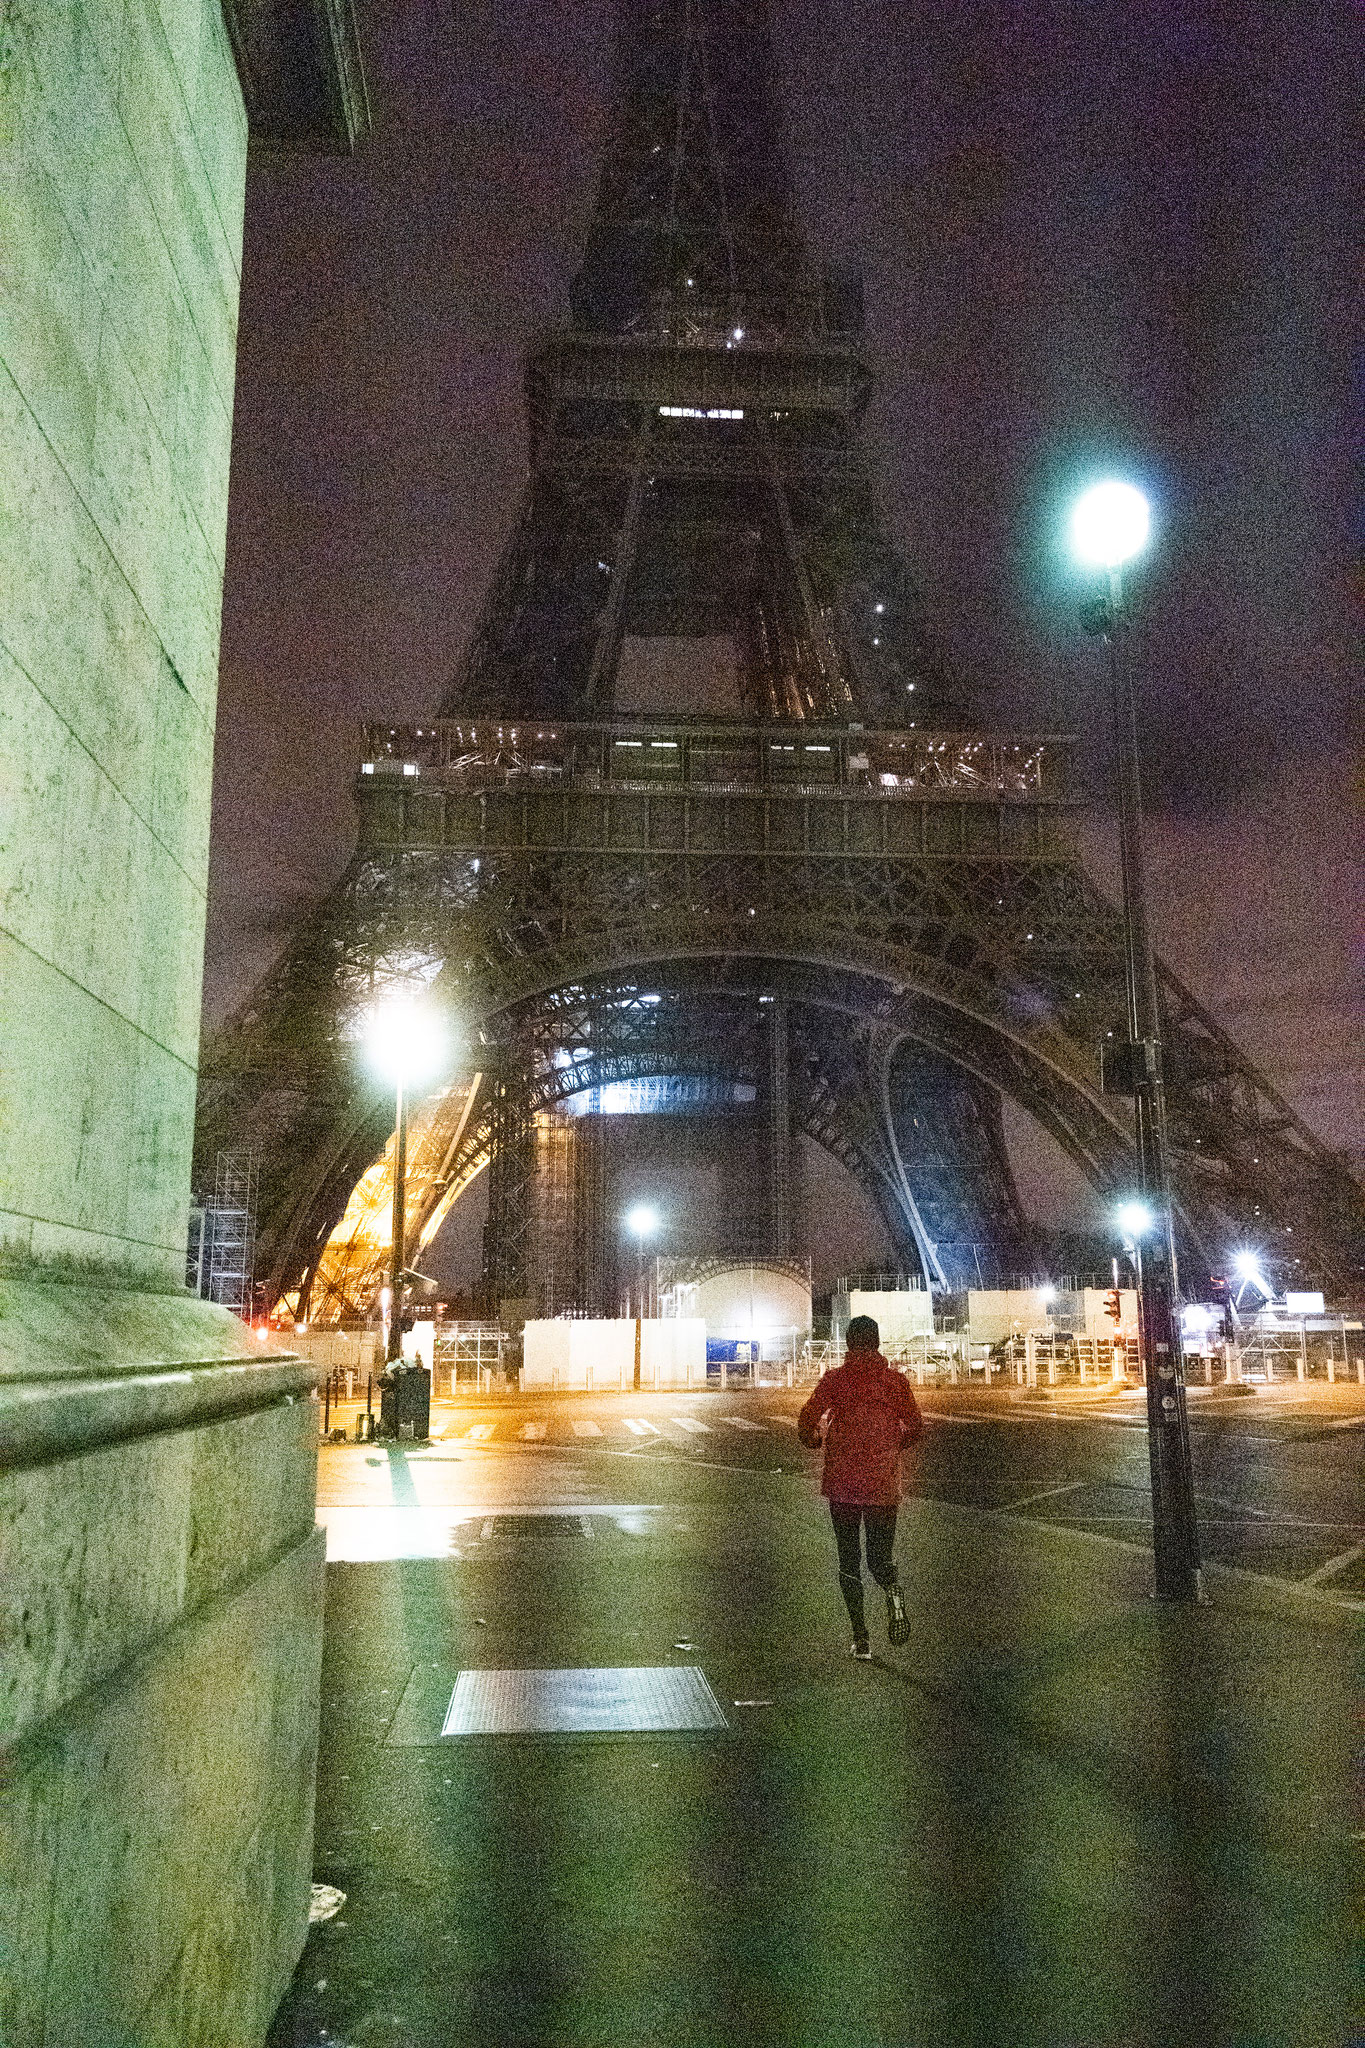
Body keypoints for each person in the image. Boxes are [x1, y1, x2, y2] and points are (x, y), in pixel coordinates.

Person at [797, 1315, 924, 1659]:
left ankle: (861, 1640)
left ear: (849, 1344)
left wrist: (813, 1439)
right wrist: (892, 1445)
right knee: (880, 1558)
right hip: (883, 1481)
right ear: (878, 1343)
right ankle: (892, 1589)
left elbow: (807, 1419)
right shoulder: (895, 1382)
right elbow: (916, 1427)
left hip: (842, 1483)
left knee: (849, 1561)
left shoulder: (835, 1380)